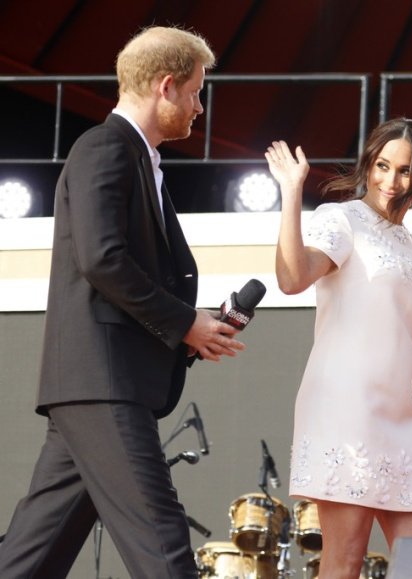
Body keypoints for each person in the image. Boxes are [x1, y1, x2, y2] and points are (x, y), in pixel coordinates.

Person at [0, 26, 245, 579]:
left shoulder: (135, 158)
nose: (199, 106)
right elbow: (103, 260)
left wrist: (193, 326)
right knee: (162, 542)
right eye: (196, 91)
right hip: (102, 385)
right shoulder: (106, 147)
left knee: (31, 556)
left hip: (97, 385)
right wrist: (186, 323)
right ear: (166, 86)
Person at [265, 118, 412, 579]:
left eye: (405, 170)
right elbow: (291, 278)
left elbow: (406, 342)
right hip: (348, 413)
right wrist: (291, 193)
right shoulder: (341, 220)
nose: (391, 180)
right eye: (382, 165)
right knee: (343, 564)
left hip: (404, 421)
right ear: (369, 163)